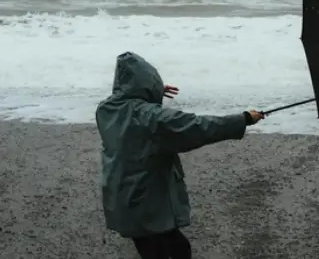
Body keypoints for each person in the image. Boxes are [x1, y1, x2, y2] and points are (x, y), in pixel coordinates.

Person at [95, 52, 265, 259]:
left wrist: (152, 94)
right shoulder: (151, 117)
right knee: (176, 249)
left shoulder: (105, 110)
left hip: (121, 194)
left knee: (150, 246)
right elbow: (199, 127)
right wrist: (243, 119)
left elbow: (127, 105)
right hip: (146, 197)